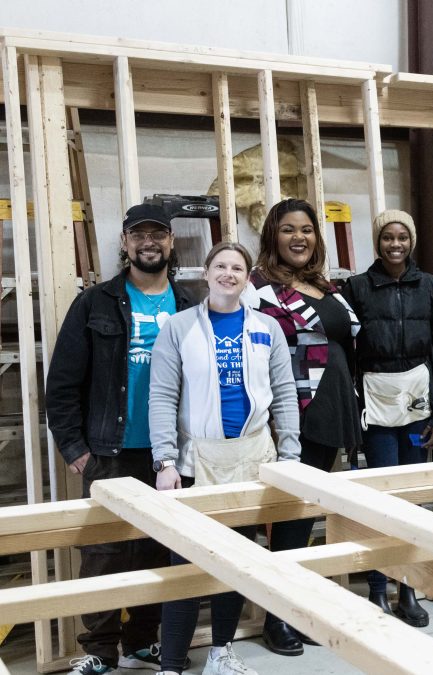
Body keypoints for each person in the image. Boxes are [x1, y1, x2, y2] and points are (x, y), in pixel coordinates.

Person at [46, 203, 195, 675]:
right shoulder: (96, 302)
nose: (148, 242)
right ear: (125, 243)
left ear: (171, 243)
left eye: (158, 235)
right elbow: (63, 383)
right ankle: (99, 648)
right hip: (108, 451)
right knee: (104, 553)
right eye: (138, 235)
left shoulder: (191, 305)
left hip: (168, 453)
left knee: (158, 547)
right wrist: (76, 450)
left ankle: (141, 641)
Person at [150, 242, 300, 675]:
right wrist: (164, 462)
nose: (228, 273)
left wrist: (289, 454)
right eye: (221, 266)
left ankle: (220, 652)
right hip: (197, 461)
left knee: (236, 560)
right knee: (186, 565)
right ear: (207, 272)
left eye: (237, 267)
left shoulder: (267, 328)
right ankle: (172, 665)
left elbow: (285, 392)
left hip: (251, 457)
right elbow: (161, 396)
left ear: (248, 276)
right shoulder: (179, 328)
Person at [243, 198, 360, 655]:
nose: (299, 237)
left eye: (307, 230)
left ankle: (300, 609)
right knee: (288, 521)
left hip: (332, 409)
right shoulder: (258, 289)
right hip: (293, 412)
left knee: (309, 516)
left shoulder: (324, 286)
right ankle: (277, 618)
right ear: (273, 235)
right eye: (289, 229)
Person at [342, 210, 433, 627]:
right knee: (379, 499)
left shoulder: (428, 287)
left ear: (412, 241)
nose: (395, 245)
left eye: (402, 237)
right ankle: (376, 588)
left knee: (411, 501)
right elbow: (350, 356)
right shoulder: (357, 287)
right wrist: (354, 415)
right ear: (377, 241)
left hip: (417, 406)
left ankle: (407, 588)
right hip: (375, 403)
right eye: (388, 237)